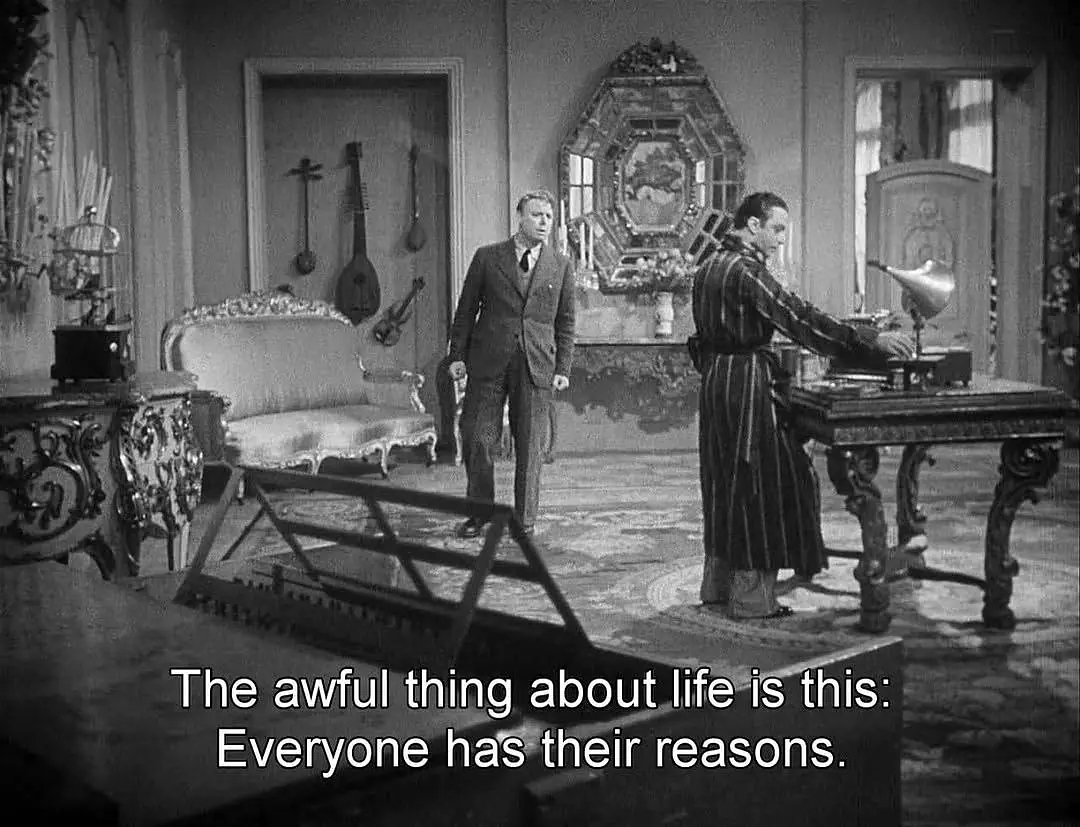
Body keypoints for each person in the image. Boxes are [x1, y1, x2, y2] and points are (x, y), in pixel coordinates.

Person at [690, 192, 913, 619]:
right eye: (776, 229)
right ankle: (752, 599)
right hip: (746, 384)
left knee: (723, 481)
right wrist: (868, 340)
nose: (780, 239)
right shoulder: (746, 271)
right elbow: (798, 317)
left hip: (716, 381)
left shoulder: (707, 267)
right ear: (752, 225)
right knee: (761, 483)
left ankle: (718, 586)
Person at [448, 189, 576, 538]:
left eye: (548, 217)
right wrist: (457, 356)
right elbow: (465, 310)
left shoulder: (560, 266)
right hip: (487, 361)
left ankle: (525, 521)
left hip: (536, 364)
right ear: (520, 216)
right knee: (476, 437)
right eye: (536, 215)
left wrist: (563, 368)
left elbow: (566, 321)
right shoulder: (487, 258)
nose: (543, 222)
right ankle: (479, 514)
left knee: (530, 447)